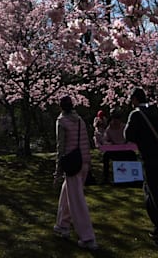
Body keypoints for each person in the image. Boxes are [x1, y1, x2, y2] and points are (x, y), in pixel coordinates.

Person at [124, 87, 158, 248]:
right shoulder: (152, 111)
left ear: (134, 99)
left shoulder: (136, 114)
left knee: (155, 197)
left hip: (150, 158)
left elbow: (128, 136)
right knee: (149, 193)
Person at [52, 96, 97, 251]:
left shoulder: (61, 122)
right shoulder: (79, 120)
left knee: (77, 201)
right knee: (68, 193)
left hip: (72, 164)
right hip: (84, 161)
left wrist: (57, 172)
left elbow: (61, 148)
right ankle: (62, 225)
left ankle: (88, 237)